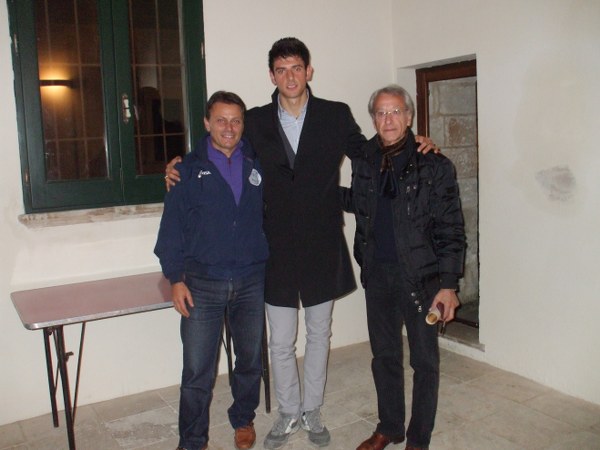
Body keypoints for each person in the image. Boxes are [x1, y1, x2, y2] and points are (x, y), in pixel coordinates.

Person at [165, 38, 438, 449]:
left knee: (319, 333)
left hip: (322, 244)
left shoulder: (334, 114)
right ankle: (288, 412)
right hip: (273, 248)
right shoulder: (254, 120)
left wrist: (415, 145)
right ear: (271, 75)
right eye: (281, 69)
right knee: (279, 340)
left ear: (309, 71)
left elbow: (369, 151)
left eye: (296, 68)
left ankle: (312, 409)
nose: (290, 76)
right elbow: (223, 148)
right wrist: (180, 164)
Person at [341, 85, 465, 450]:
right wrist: (314, 192)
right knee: (384, 357)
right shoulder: (365, 159)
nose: (389, 119)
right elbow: (361, 202)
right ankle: (390, 427)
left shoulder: (434, 165)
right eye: (381, 113)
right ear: (373, 120)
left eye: (396, 111)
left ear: (409, 117)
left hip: (422, 278)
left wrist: (448, 284)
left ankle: (418, 439)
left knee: (424, 363)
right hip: (377, 274)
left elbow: (451, 228)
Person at [154, 91, 268, 450]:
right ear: (207, 123)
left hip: (250, 279)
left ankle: (243, 418)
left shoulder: (258, 164)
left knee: (249, 360)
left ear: (243, 124)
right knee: (197, 371)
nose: (229, 127)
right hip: (202, 284)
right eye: (221, 120)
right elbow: (170, 233)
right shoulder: (185, 172)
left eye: (236, 120)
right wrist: (176, 279)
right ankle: (192, 440)